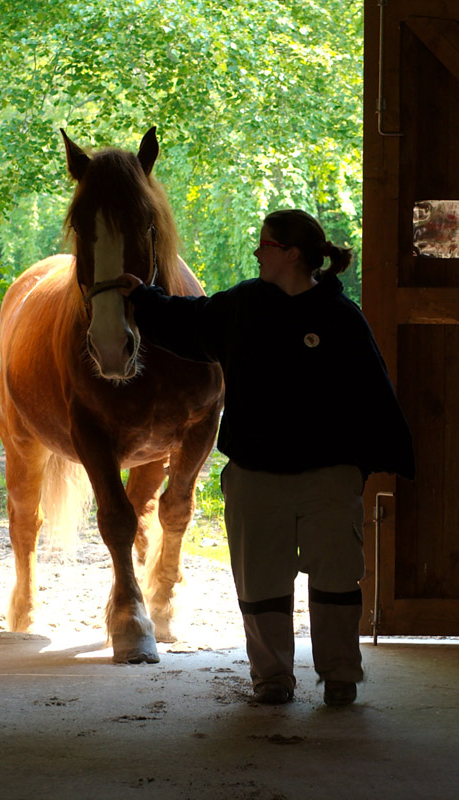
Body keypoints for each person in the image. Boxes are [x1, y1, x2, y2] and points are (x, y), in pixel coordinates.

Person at [119, 208, 415, 707]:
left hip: (329, 479)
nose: (257, 252)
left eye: (266, 244)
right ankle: (272, 678)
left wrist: (359, 468)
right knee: (260, 586)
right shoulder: (244, 305)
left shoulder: (341, 318)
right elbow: (187, 321)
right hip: (255, 478)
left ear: (291, 253)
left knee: (337, 582)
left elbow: (373, 392)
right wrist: (139, 297)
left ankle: (340, 675)